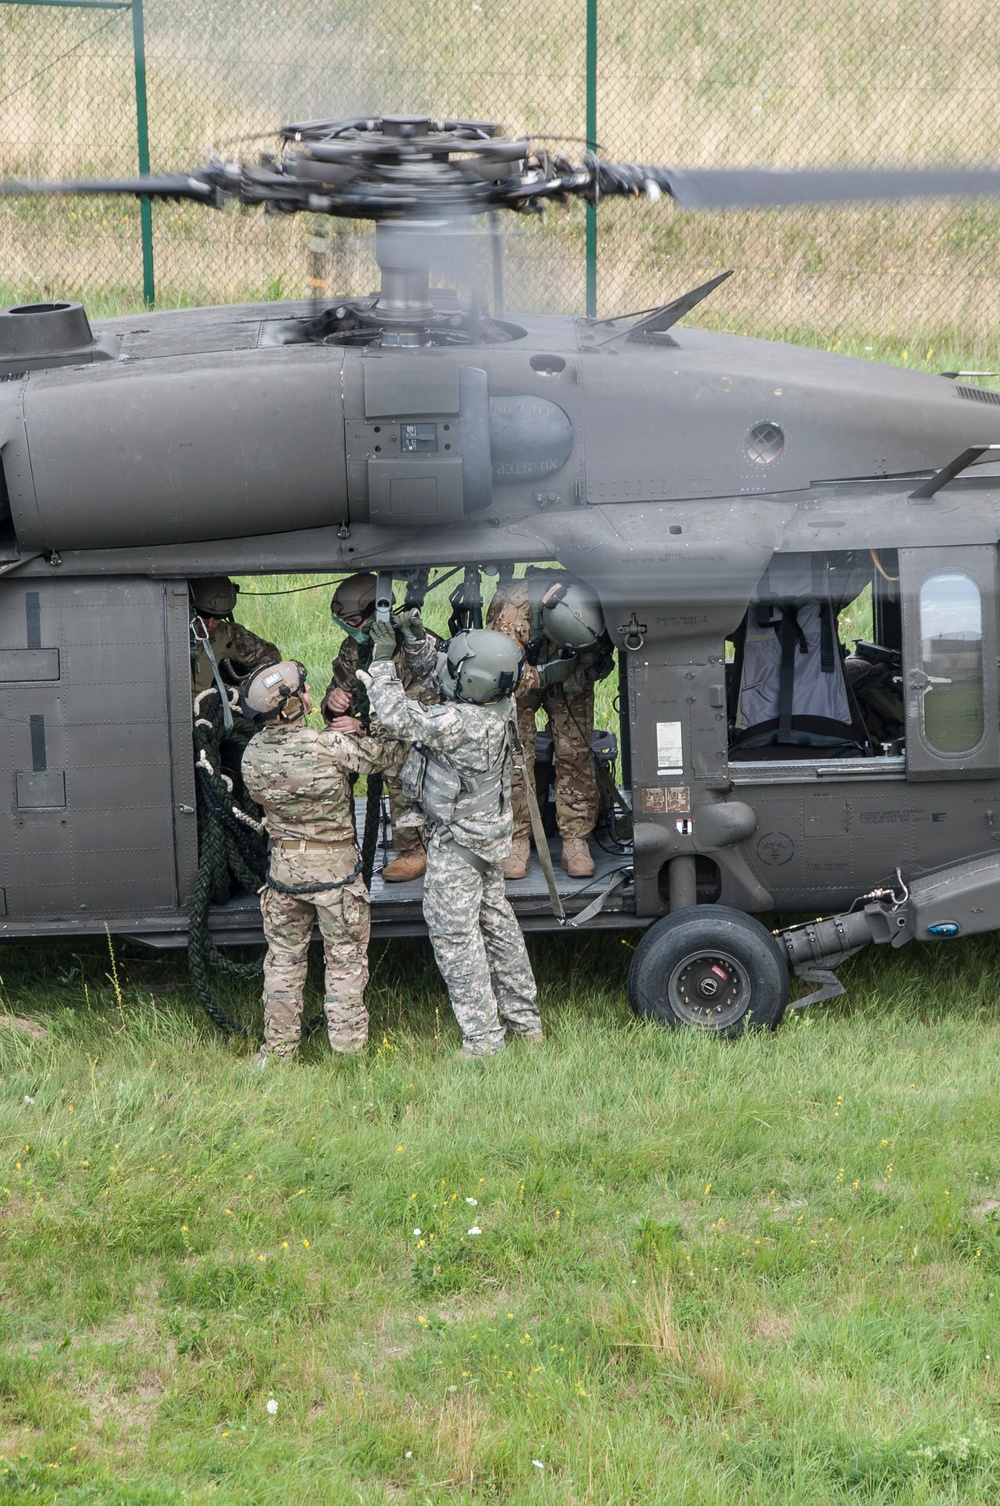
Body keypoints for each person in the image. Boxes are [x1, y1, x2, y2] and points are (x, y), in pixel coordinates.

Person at [361, 623, 542, 1058]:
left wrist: (383, 659)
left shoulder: (458, 723)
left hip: (457, 846)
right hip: (486, 838)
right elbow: (448, 676)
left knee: (455, 938)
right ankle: (526, 1023)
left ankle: (482, 1042)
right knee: (498, 925)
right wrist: (418, 642)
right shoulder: (501, 702)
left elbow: (395, 716)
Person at [241, 659, 404, 1062]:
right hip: (335, 878)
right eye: (305, 692)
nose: (310, 695)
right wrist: (368, 726)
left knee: (282, 965)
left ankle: (277, 1051)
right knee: (345, 965)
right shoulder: (328, 746)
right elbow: (388, 755)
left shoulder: (251, 755)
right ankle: (347, 1055)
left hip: (283, 876)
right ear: (293, 705)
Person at [486, 570, 614, 880]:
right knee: (515, 759)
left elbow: (599, 653)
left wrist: (579, 667)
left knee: (577, 755)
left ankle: (576, 841)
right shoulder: (511, 610)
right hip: (519, 678)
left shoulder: (587, 602)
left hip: (570, 677)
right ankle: (517, 841)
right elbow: (503, 673)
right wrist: (545, 676)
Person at [322, 572, 442, 883]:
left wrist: (363, 726)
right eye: (344, 621)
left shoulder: (415, 644)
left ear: (377, 610)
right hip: (377, 733)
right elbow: (341, 685)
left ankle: (414, 847)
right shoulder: (353, 648)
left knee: (396, 762)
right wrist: (334, 701)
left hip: (420, 739)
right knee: (326, 751)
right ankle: (338, 841)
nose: (351, 628)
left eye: (354, 620)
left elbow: (423, 711)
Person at [190, 576, 280, 703]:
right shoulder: (165, 637)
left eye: (218, 616)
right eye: (204, 615)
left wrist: (243, 691)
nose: (210, 623)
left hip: (206, 712)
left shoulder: (226, 634)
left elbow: (269, 656)